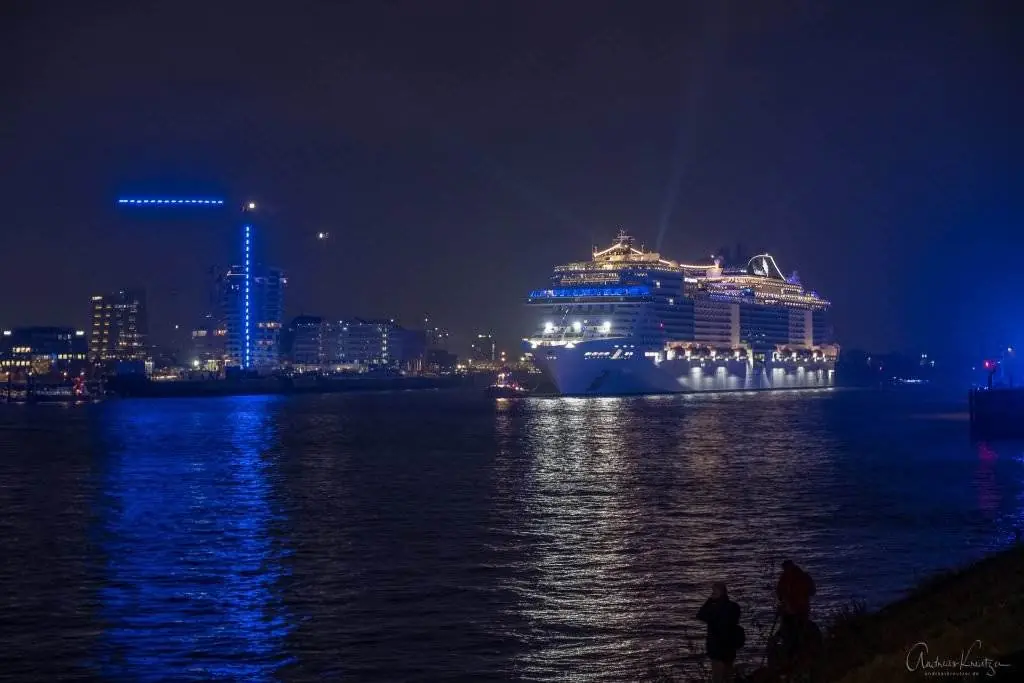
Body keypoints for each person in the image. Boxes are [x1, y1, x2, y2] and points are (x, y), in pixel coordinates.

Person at [697, 581, 742, 683]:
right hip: (729, 648)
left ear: (721, 593)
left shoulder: (714, 609)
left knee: (718, 678)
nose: (712, 595)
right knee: (728, 676)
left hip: (717, 650)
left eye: (714, 593)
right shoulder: (734, 606)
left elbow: (700, 615)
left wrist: (709, 601)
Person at [775, 560, 816, 662]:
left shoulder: (785, 578)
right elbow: (812, 591)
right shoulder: (803, 577)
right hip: (799, 610)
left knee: (791, 635)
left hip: (793, 611)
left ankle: (793, 656)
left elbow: (779, 594)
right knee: (797, 634)